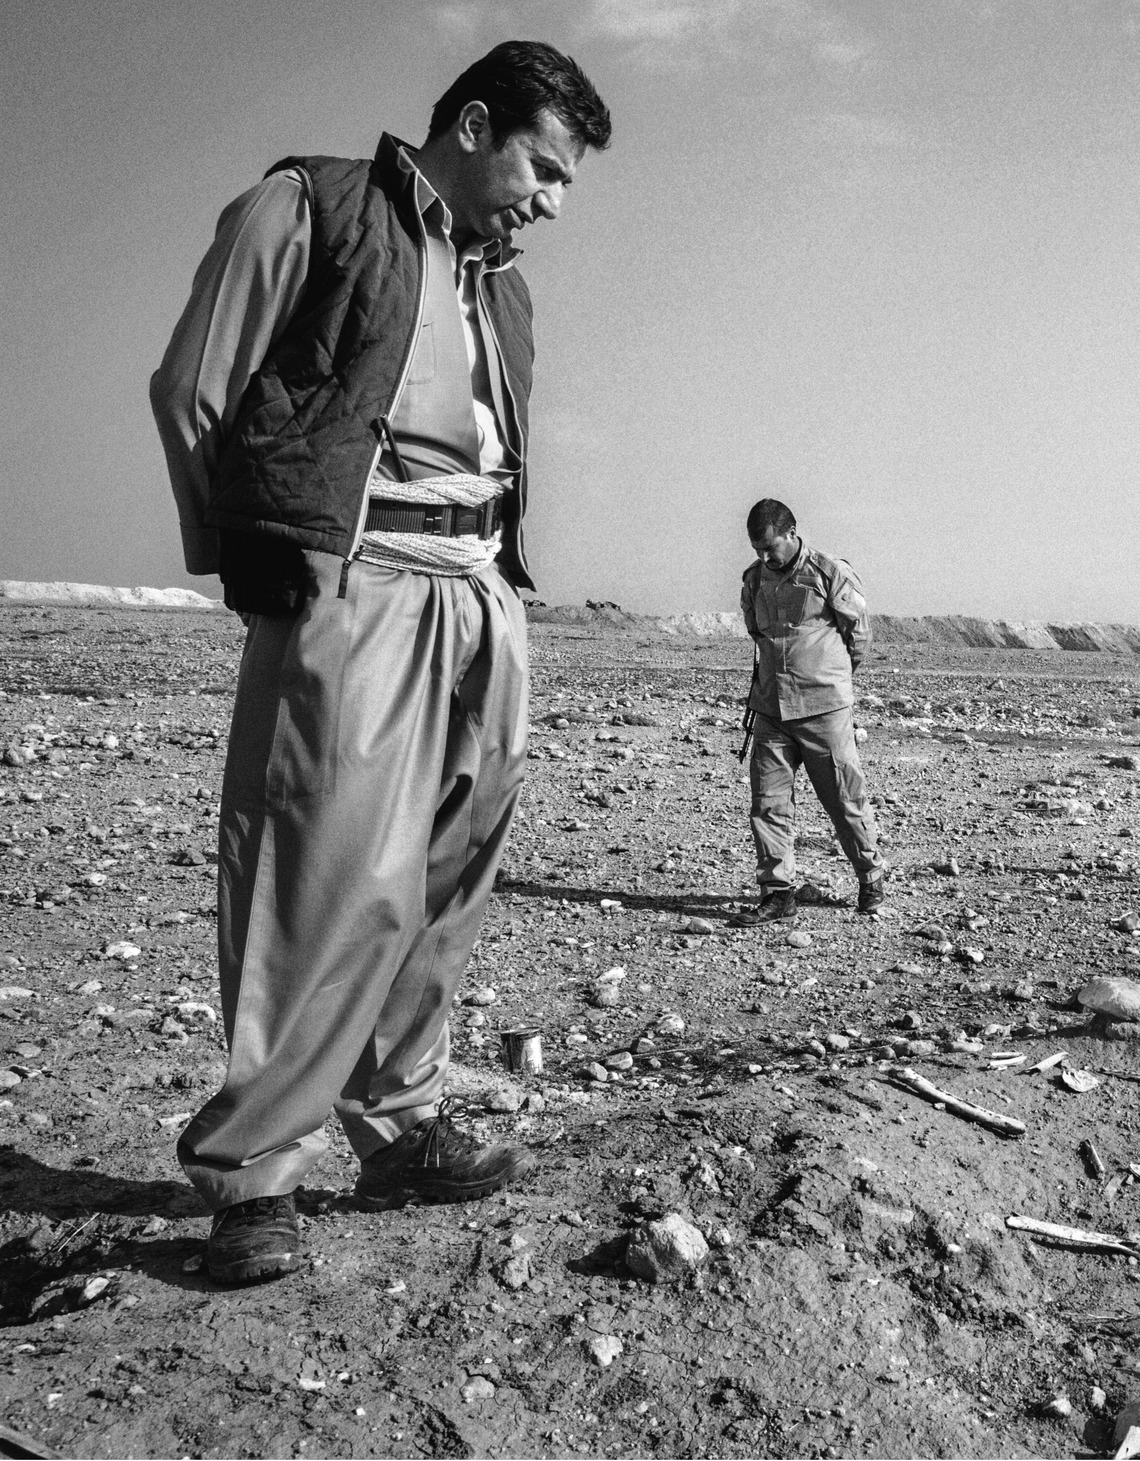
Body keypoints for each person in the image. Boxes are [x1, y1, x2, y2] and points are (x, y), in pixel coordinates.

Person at [148, 41, 611, 1284]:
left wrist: (499, 592)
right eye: (544, 168)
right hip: (358, 583)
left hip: (480, 596)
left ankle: (401, 1125)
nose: (552, 202)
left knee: (448, 873)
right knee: (326, 875)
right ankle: (254, 1175)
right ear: (472, 124)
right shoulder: (312, 204)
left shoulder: (502, 286)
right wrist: (248, 555)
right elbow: (196, 385)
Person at [737, 499, 887, 921]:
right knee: (767, 803)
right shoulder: (753, 580)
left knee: (843, 797)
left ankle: (870, 876)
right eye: (757, 549)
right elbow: (755, 630)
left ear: (791, 532)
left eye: (771, 548)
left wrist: (829, 675)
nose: (765, 557)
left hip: (823, 709)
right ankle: (777, 892)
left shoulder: (828, 572)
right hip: (771, 709)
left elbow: (858, 634)